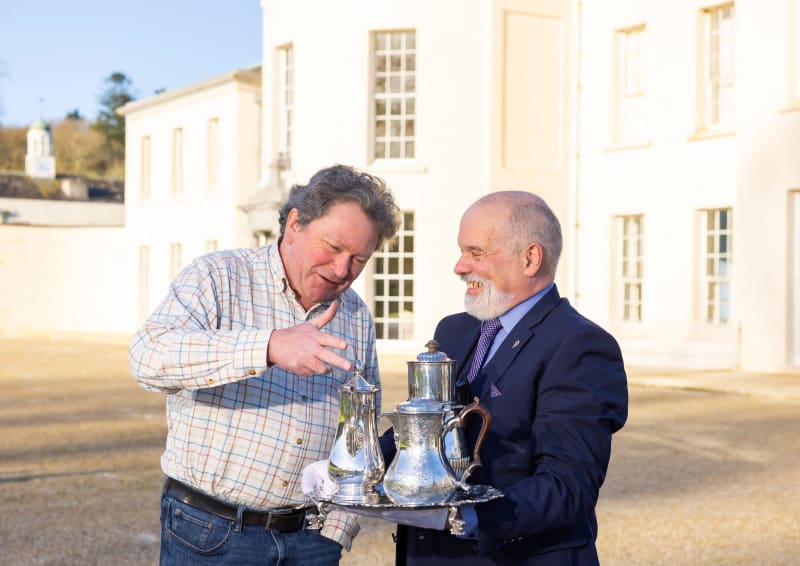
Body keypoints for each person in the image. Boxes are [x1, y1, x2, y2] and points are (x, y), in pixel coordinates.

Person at [129, 164, 400, 566]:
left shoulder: (356, 315)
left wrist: (336, 531)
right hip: (212, 534)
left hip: (312, 540)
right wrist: (270, 346)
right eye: (333, 247)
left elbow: (360, 429)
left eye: (359, 258)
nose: (343, 269)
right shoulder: (218, 276)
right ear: (294, 224)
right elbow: (148, 356)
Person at [380, 191, 628, 565]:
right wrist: (351, 467)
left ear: (530, 258)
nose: (460, 267)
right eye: (462, 251)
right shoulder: (453, 331)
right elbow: (420, 435)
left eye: (476, 253)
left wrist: (469, 515)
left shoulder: (581, 345)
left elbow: (567, 486)